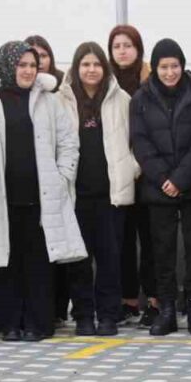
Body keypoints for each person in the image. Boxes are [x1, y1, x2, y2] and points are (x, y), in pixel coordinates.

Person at [0, 42, 83, 341]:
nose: (29, 71)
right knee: (5, 263)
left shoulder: (50, 101)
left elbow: (68, 144)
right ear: (7, 67)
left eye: (33, 65)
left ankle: (37, 324)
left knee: (38, 263)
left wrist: (62, 177)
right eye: (22, 65)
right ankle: (9, 324)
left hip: (41, 198)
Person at [131, 39, 191, 337]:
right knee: (162, 250)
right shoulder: (141, 98)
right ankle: (166, 309)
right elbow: (140, 142)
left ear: (183, 65)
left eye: (175, 66)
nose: (170, 72)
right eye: (164, 67)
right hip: (158, 187)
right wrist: (163, 178)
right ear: (155, 68)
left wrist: (181, 179)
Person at [58, 41, 139, 337]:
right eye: (85, 64)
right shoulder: (60, 101)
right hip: (74, 196)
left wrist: (130, 169)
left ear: (104, 68)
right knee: (78, 261)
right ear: (76, 68)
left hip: (111, 196)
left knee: (109, 260)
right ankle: (83, 315)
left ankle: (108, 315)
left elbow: (136, 143)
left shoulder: (122, 99)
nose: (91, 70)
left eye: (96, 64)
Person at [108, 24, 157, 326]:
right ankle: (126, 299)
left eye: (128, 45)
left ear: (138, 49)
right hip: (118, 174)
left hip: (149, 173)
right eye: (117, 46)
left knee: (151, 239)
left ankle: (154, 299)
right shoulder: (106, 83)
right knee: (122, 240)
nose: (122, 51)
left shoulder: (150, 82)